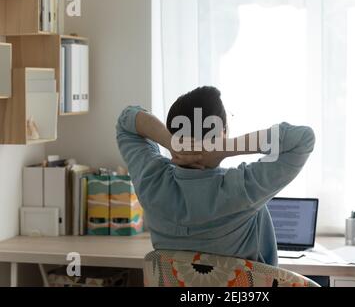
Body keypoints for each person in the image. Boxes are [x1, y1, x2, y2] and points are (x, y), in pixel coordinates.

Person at [116, 86, 315, 266]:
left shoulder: (152, 182)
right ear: (223, 134)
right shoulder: (243, 188)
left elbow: (127, 120)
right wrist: (225, 148)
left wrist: (171, 141)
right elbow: (302, 139)